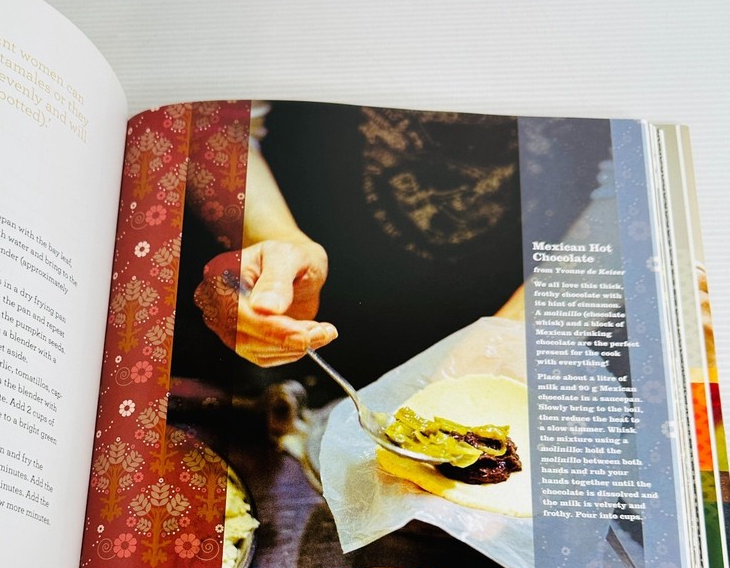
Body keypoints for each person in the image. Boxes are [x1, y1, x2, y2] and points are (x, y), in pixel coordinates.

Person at [185, 103, 605, 397]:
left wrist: (507, 338)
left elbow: (630, 186)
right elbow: (217, 122)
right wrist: (273, 242)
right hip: (320, 284)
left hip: (514, 287)